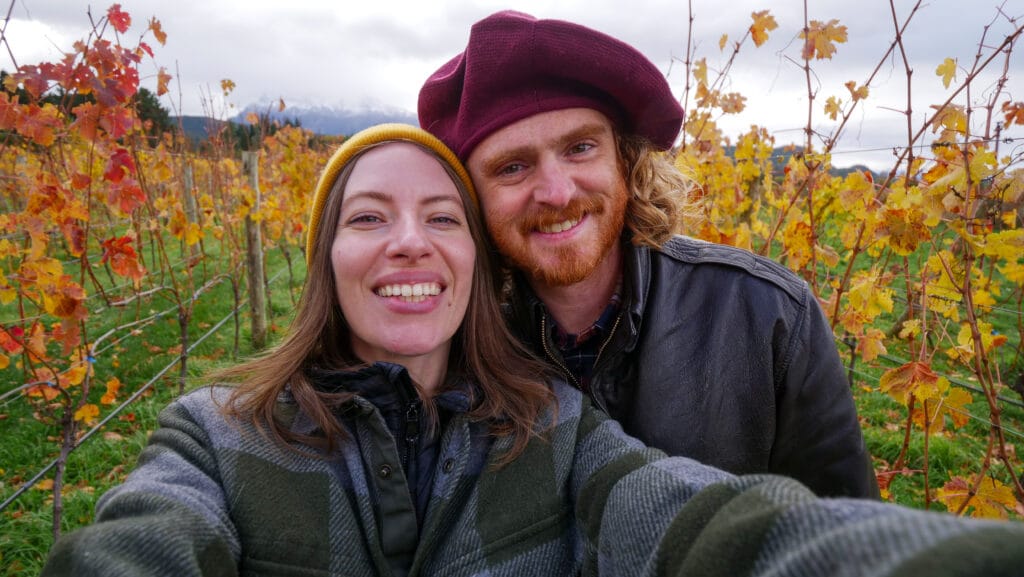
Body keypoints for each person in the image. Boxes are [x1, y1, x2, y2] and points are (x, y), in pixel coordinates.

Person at [40, 124, 1024, 577]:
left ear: (474, 261)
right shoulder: (214, 436)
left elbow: (714, 526)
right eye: (367, 216)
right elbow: (143, 542)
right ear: (323, 262)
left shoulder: (551, 428)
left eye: (441, 217)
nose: (410, 242)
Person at [419, 10, 878, 499]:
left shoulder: (768, 316)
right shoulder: (450, 346)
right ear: (472, 200)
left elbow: (847, 522)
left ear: (625, 159)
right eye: (512, 167)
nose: (556, 192)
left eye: (579, 148)